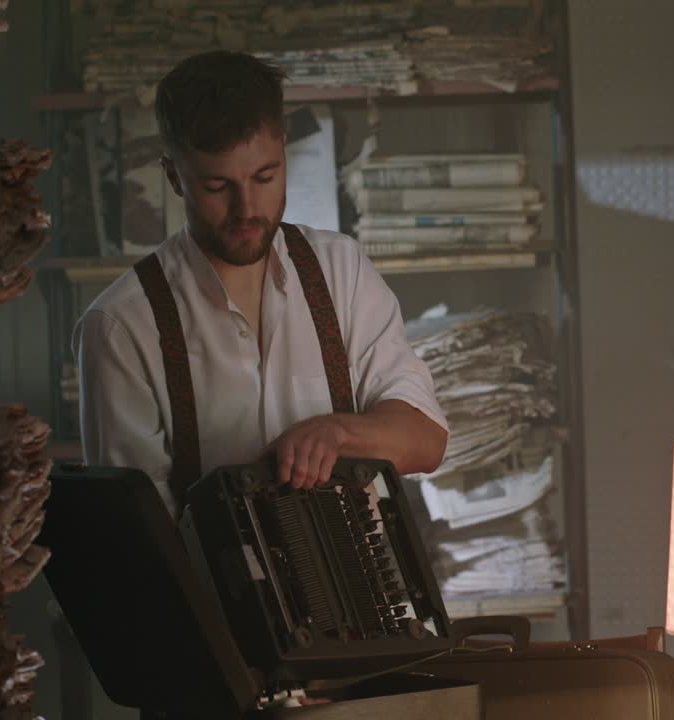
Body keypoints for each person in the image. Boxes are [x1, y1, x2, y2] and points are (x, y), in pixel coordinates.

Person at [72, 51, 448, 516]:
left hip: (361, 584)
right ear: (173, 175)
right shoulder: (121, 326)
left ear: (284, 152)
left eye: (265, 176)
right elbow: (139, 538)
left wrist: (336, 433)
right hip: (213, 589)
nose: (246, 208)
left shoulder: (341, 270)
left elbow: (426, 439)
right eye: (216, 187)